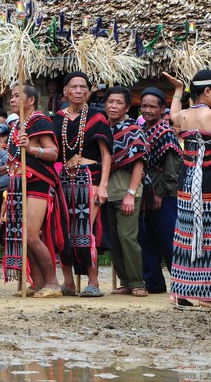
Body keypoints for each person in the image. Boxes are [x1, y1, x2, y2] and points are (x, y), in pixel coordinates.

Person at [163, 70, 211, 307]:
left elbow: (172, 114)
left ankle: (179, 292)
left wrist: (178, 91)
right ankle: (209, 297)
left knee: (186, 235)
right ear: (207, 91)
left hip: (187, 186)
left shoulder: (183, 116)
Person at [53, 72, 112, 298]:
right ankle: (68, 282)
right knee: (63, 230)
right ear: (65, 92)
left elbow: (106, 155)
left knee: (86, 230)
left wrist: (103, 185)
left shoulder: (97, 117)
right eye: (73, 87)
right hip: (63, 178)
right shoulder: (56, 119)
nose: (78, 91)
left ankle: (93, 282)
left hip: (90, 177)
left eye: (82, 87)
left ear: (88, 91)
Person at [3, 84, 65, 297]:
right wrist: (0, 170)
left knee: (30, 233)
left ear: (30, 100)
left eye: (17, 96)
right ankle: (38, 282)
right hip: (19, 182)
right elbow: (19, 158)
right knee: (23, 234)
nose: (12, 99)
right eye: (11, 96)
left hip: (38, 182)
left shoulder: (39, 121)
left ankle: (52, 282)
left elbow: (53, 152)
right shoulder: (17, 124)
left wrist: (31, 148)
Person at [102, 86, 148, 297]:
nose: (114, 106)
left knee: (127, 237)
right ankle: (126, 281)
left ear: (128, 107)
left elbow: (139, 163)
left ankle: (138, 281)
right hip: (107, 192)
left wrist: (131, 193)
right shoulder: (103, 129)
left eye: (119, 102)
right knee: (115, 240)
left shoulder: (133, 130)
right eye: (110, 101)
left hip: (126, 191)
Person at [137, 87, 181, 295]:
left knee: (168, 240)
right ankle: (153, 283)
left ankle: (181, 284)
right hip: (145, 194)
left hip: (164, 196)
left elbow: (173, 169)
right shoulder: (141, 131)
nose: (147, 110)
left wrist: (161, 194)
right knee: (147, 240)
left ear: (162, 109)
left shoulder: (165, 133)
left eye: (152, 106)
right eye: (144, 106)